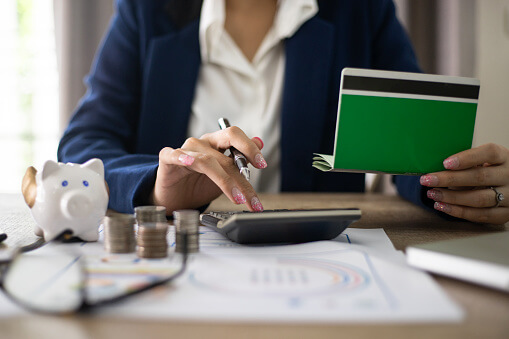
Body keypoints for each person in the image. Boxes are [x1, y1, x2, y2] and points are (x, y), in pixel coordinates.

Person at [58, 0, 509, 225]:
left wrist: (456, 187)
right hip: (182, 253)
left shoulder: (360, 10)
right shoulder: (147, 11)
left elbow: (409, 148)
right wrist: (156, 188)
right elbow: (83, 147)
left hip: (325, 256)